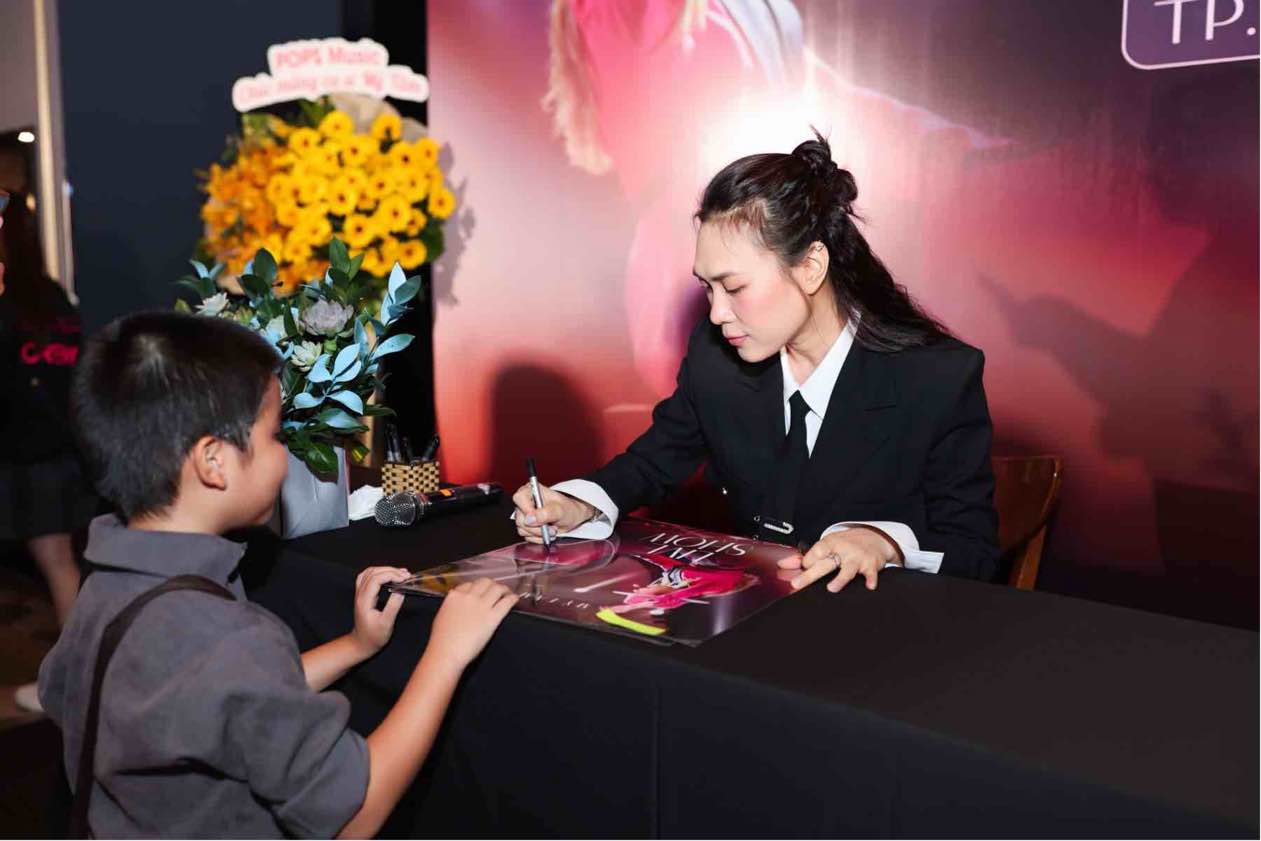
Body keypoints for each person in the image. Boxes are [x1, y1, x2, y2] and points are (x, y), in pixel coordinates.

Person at [37, 311, 517, 837]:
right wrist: (444, 656)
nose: (285, 457)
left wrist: (355, 646)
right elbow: (355, 816)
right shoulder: (228, 636)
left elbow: (212, 703)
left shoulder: (106, 583)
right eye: (274, 435)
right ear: (213, 462)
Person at [514, 134, 998, 592]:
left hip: (881, 642)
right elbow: (653, 462)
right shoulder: (716, 358)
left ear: (810, 267)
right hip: (746, 627)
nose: (716, 313)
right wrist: (578, 501)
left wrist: (887, 543)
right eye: (707, 287)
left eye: (735, 287)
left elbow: (974, 552)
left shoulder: (936, 379)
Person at [0, 190, 96, 712]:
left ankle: (71, 680)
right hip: (66, 453)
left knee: (60, 567)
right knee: (64, 566)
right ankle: (75, 676)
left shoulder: (7, 307)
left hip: (31, 461)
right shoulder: (57, 300)